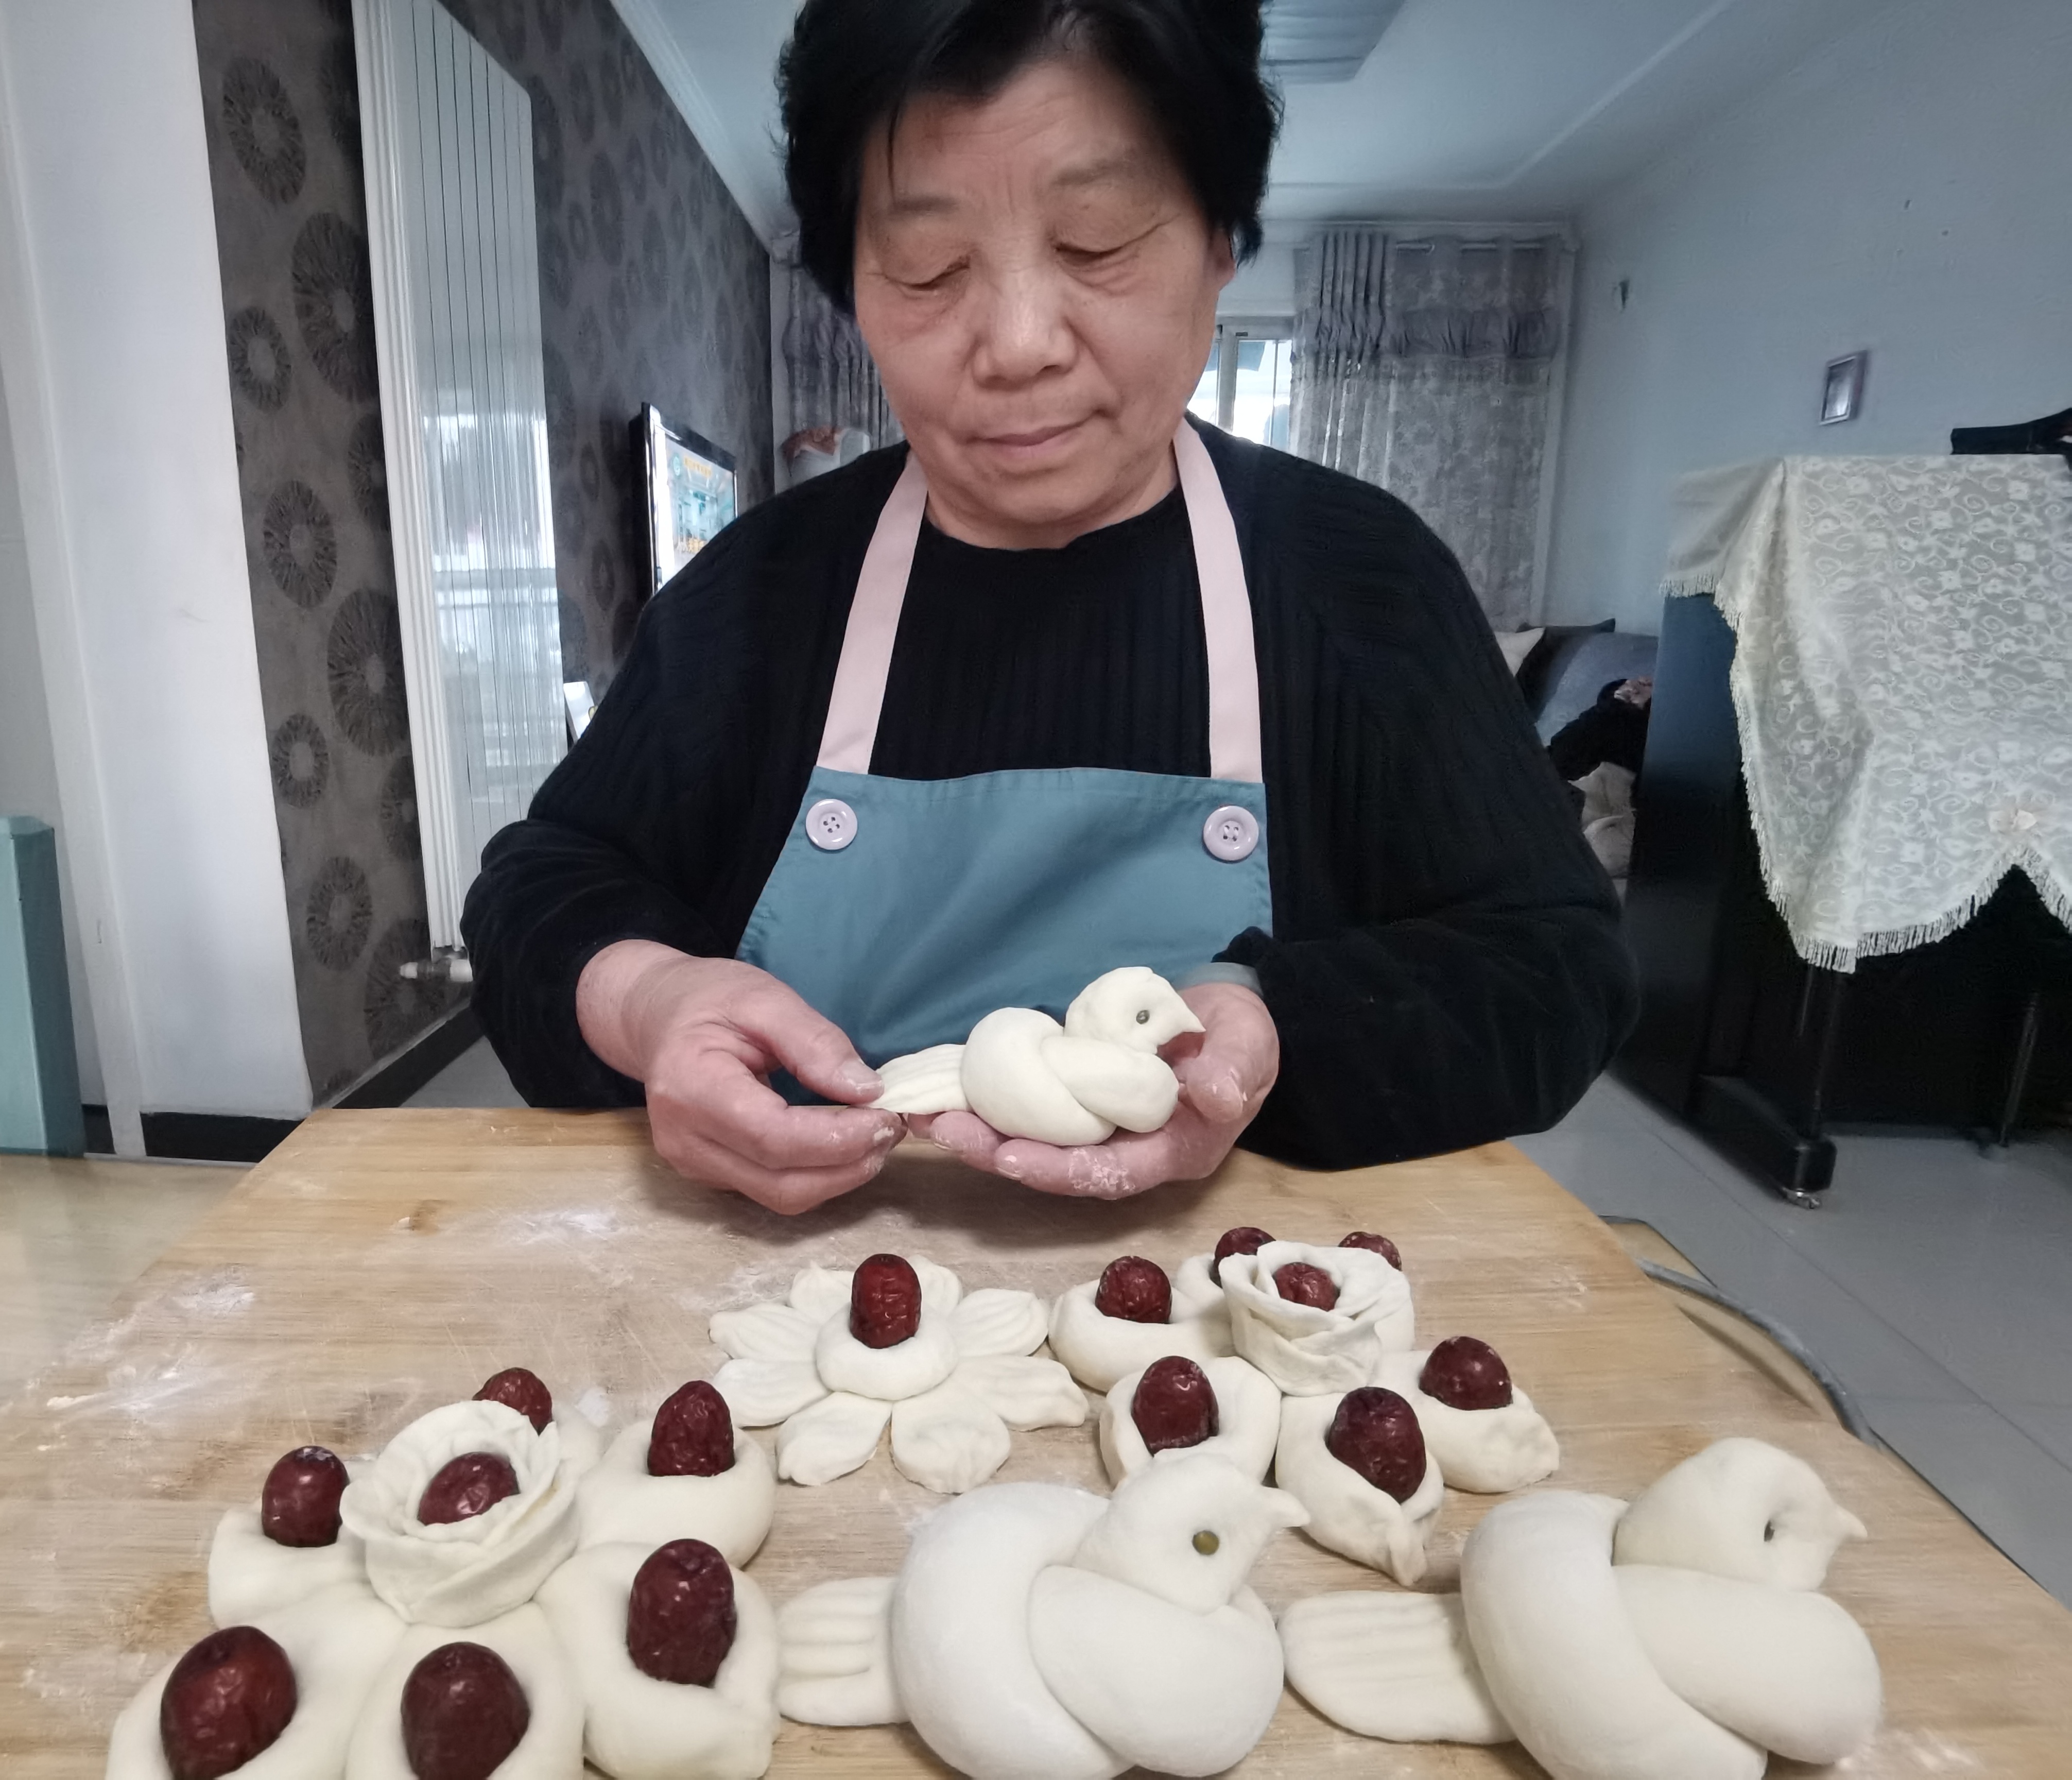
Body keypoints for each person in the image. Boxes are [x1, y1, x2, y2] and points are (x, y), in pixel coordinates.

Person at [462, 0, 1636, 1214]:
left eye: (1097, 243)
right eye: (929, 268)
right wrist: (652, 1001)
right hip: (792, 1288)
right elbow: (539, 888)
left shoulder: (1357, 582)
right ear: (851, 289)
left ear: (1220, 242)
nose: (1018, 344)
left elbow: (1551, 968)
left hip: (1220, 1303)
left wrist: (1272, 1022)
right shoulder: (761, 592)